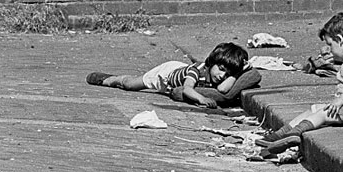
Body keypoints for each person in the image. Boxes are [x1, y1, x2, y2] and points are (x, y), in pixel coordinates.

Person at [257, 12, 343, 155]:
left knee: (323, 114)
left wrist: (340, 100)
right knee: (314, 108)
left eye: (330, 45)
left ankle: (295, 133)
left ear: (340, 40)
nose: (330, 50)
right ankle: (282, 133)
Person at [86, 42, 260, 108]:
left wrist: (239, 72)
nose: (222, 75)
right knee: (131, 85)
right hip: (166, 74)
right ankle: (110, 79)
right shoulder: (196, 70)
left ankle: (114, 80)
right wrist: (201, 99)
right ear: (211, 62)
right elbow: (187, 89)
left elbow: (223, 89)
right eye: (221, 69)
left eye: (228, 73)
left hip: (178, 74)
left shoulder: (221, 77)